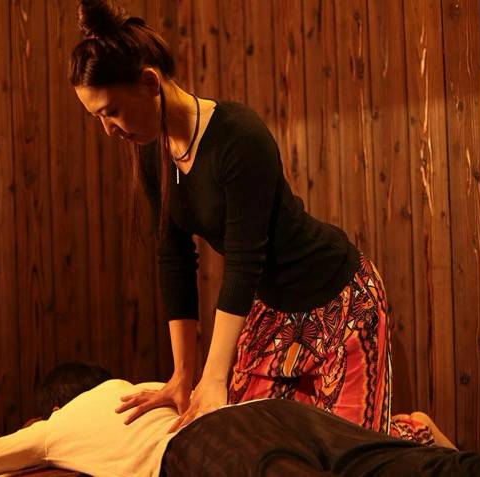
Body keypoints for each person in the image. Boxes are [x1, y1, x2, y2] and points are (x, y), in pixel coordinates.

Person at [70, 0, 392, 436]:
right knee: (250, 443)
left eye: (111, 111)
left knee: (352, 454)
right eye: (97, 118)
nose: (109, 130)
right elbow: (174, 259)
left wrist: (213, 377)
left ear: (149, 83)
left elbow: (244, 261)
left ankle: (418, 433)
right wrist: (183, 375)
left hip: (339, 300)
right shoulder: (151, 152)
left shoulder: (238, 135)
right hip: (272, 310)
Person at [0, 363, 480, 477]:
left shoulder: (60, 425)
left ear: (55, 405)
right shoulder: (143, 386)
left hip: (212, 446)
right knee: (441, 471)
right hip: (276, 415)